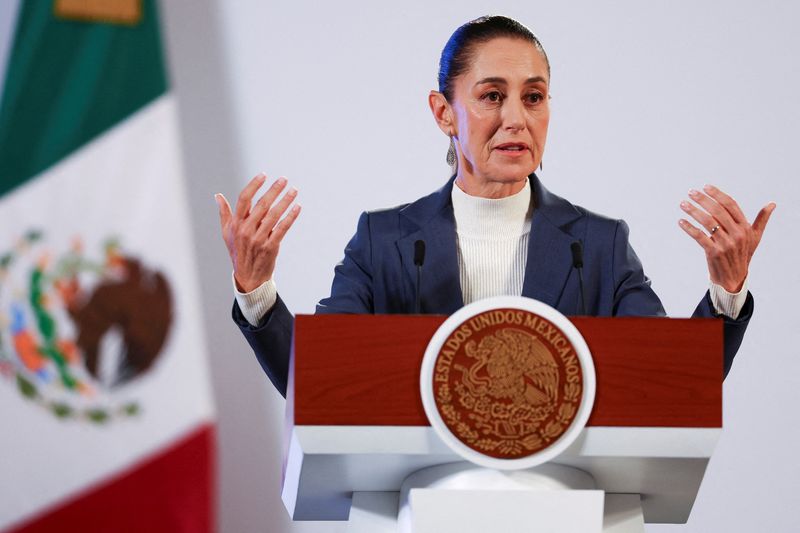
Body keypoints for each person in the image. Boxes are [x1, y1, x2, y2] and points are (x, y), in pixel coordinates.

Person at [215, 16, 775, 398]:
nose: (516, 118)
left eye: (533, 97)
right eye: (491, 96)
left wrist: (726, 294)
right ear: (443, 113)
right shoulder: (382, 241)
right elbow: (320, 381)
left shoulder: (598, 246)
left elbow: (664, 383)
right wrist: (257, 288)